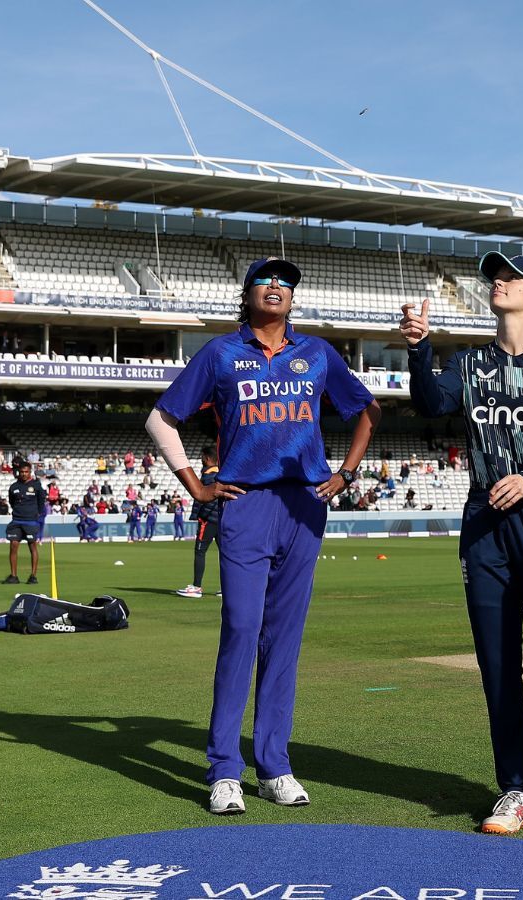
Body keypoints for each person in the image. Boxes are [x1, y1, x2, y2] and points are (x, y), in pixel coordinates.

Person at [147, 256, 380, 815]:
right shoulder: (221, 353)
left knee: (284, 641)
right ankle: (225, 769)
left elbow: (368, 410)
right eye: (265, 280)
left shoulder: (317, 353)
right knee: (242, 630)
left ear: (293, 300)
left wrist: (345, 473)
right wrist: (196, 487)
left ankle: (275, 766)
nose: (276, 287)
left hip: (304, 505)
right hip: (245, 504)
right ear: (247, 292)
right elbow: (161, 419)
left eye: (287, 283)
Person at [401, 251, 523, 837]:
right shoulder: (471, 363)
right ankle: (516, 789)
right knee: (497, 666)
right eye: (495, 277)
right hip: (484, 527)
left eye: (511, 277)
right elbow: (431, 403)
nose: (498, 283)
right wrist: (418, 348)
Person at [176, 446, 224, 598]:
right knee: (225, 554)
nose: (201, 459)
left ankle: (196, 587)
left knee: (200, 551)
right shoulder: (221, 473)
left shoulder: (209, 475)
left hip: (209, 521)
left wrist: (202, 515)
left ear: (207, 458)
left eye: (202, 457)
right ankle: (227, 588)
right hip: (222, 520)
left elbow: (209, 497)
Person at [5, 462, 43, 585]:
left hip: (31, 521)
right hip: (16, 520)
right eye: (22, 472)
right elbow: (11, 502)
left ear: (30, 472)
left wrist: (36, 514)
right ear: (19, 472)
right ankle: (14, 576)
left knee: (32, 547)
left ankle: (33, 576)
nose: (24, 474)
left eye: (26, 472)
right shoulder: (13, 487)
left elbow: (41, 502)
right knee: (13, 546)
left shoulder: (36, 486)